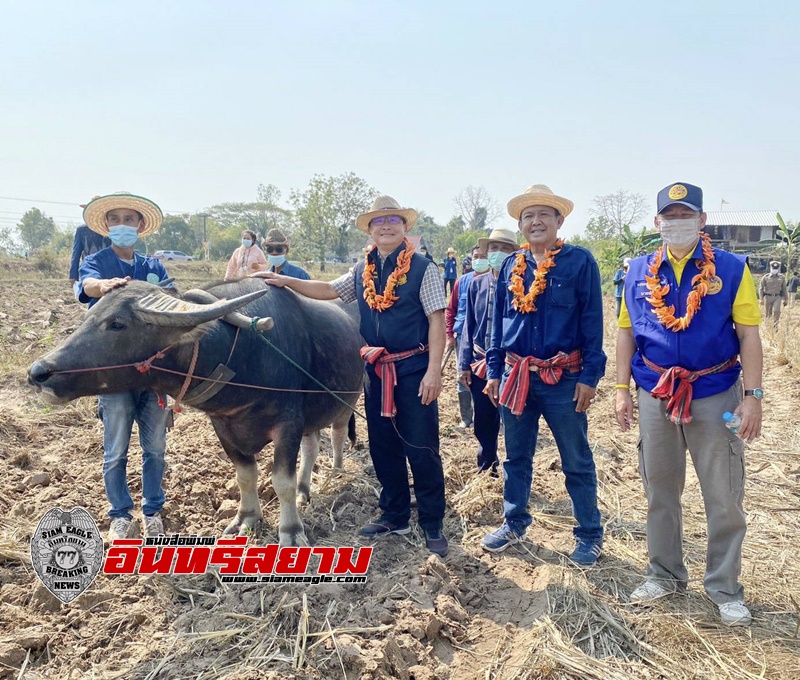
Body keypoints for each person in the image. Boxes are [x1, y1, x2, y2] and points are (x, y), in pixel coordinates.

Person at [252, 196, 449, 556]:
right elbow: (329, 290)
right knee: (383, 445)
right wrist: (284, 282)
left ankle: (433, 521)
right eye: (379, 222)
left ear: (405, 228)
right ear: (370, 230)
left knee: (420, 447)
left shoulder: (423, 269)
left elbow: (438, 320)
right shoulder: (363, 270)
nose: (386, 226)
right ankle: (394, 514)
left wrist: (434, 371)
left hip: (414, 367)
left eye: (393, 220)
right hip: (375, 369)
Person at [616, 181, 762, 627]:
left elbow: (749, 336)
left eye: (686, 215)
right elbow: (625, 332)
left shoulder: (733, 269)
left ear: (702, 221)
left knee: (723, 493)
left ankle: (724, 587)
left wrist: (753, 397)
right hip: (655, 391)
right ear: (657, 222)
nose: (677, 223)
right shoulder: (638, 270)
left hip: (715, 391)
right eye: (669, 215)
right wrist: (620, 390)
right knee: (659, 488)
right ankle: (664, 574)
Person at [481, 185, 606, 566]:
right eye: (528, 216)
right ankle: (514, 521)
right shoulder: (509, 268)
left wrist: (589, 377)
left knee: (576, 459)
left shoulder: (579, 263)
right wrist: (494, 370)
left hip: (563, 378)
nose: (535, 222)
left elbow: (592, 323)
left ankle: (589, 534)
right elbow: (497, 327)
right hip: (517, 375)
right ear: (520, 225)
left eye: (544, 215)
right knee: (516, 456)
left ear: (559, 221)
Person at [78, 191, 173, 543]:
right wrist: (104, 287)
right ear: (106, 226)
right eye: (115, 219)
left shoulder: (153, 267)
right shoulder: (97, 263)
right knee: (115, 449)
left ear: (140, 226)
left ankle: (152, 510)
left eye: (129, 219)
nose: (122, 225)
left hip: (152, 373)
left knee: (155, 448)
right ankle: (119, 514)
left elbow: (171, 295)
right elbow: (85, 285)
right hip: (114, 375)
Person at [459, 228, 518, 474]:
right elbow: (468, 326)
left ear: (515, 253)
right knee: (483, 418)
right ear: (486, 252)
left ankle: (514, 470)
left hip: (512, 364)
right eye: (494, 248)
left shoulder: (522, 284)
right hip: (481, 360)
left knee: (513, 420)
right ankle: (487, 465)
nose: (498, 253)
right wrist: (464, 364)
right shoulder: (476, 284)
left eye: (505, 249)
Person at [445, 245, 481, 428]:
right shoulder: (462, 281)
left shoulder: (495, 280)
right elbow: (451, 310)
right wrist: (450, 335)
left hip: (485, 338)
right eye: (476, 256)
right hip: (463, 337)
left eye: (482, 256)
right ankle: (466, 418)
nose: (479, 259)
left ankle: (491, 417)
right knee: (462, 375)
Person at [69, 196, 110, 295]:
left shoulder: (110, 229)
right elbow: (76, 253)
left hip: (109, 268)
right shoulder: (82, 230)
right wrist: (73, 275)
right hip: (89, 270)